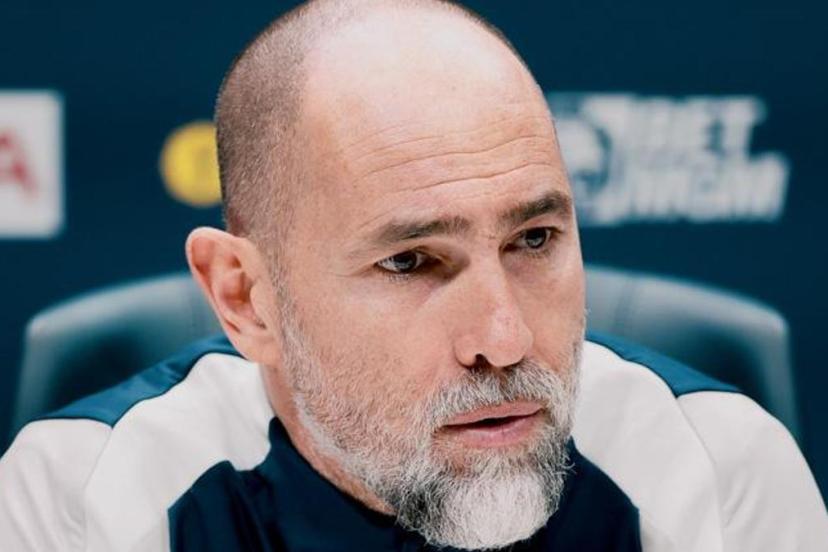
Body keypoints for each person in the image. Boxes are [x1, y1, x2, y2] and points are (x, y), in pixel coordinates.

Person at [1, 1, 826, 550]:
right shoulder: (82, 502)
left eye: (535, 239)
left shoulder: (717, 474)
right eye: (410, 261)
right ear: (245, 299)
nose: (503, 341)